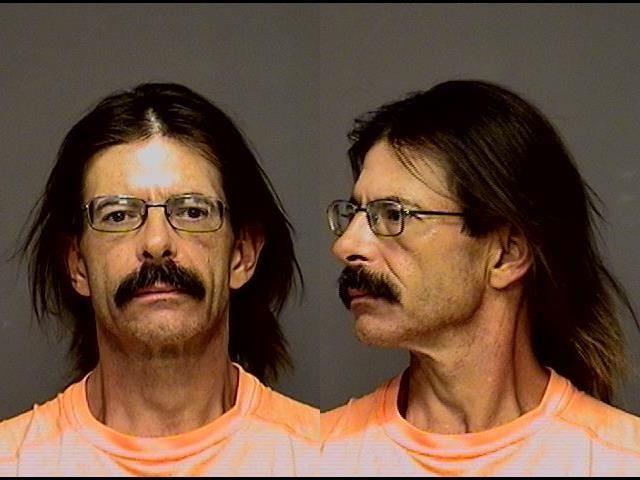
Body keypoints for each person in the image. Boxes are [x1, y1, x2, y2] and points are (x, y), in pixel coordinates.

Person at [320, 79, 640, 476]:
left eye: (394, 214)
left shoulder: (621, 461)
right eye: (354, 213)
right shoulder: (319, 457)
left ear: (506, 254)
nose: (347, 245)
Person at [0, 82, 318, 476]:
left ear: (242, 255)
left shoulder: (320, 458)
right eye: (118, 215)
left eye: (192, 212)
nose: (156, 242)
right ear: (77, 264)